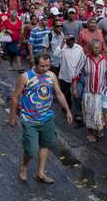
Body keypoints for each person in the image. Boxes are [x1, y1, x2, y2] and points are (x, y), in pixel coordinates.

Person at [8, 53, 73, 184]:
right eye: (42, 66)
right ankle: (24, 167)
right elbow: (15, 97)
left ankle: (40, 173)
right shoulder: (25, 77)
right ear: (35, 64)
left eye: (47, 66)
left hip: (47, 118)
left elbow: (59, 94)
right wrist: (13, 116)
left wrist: (67, 110)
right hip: (29, 120)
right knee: (31, 149)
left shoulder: (51, 76)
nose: (45, 69)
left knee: (45, 145)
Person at [73, 39, 107, 143]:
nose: (97, 50)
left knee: (99, 113)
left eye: (99, 48)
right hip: (88, 92)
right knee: (89, 112)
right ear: (90, 48)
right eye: (95, 48)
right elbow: (76, 73)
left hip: (101, 92)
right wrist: (75, 87)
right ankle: (89, 132)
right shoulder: (85, 59)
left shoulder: (105, 61)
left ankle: (98, 128)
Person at [57, 34, 85, 124]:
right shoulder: (63, 48)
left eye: (72, 39)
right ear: (66, 41)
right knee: (66, 94)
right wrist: (61, 44)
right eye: (69, 40)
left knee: (77, 95)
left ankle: (78, 113)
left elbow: (83, 59)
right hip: (65, 76)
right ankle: (67, 108)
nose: (71, 41)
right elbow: (56, 55)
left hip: (77, 76)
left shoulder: (79, 48)